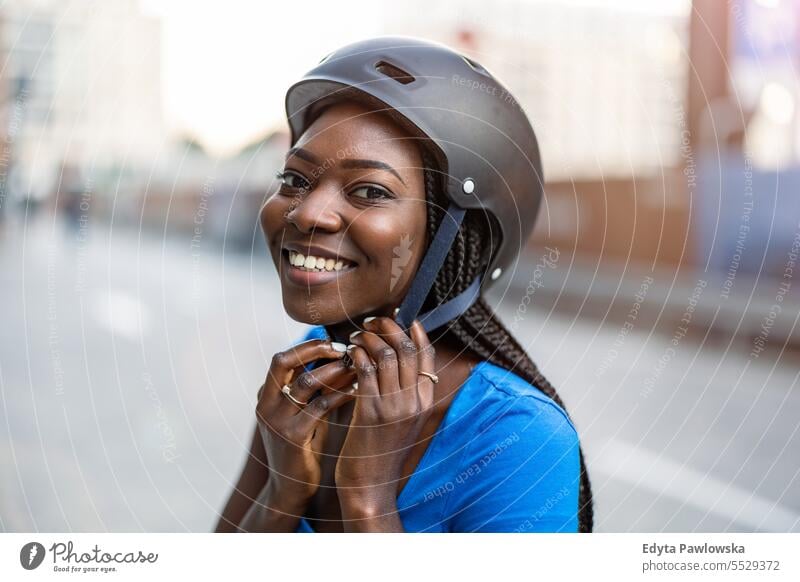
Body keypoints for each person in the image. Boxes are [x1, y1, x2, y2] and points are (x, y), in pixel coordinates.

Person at [215, 37, 593, 533]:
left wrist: (367, 499)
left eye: (369, 191)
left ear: (455, 234)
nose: (306, 212)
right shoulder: (314, 364)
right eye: (295, 180)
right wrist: (283, 491)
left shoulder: (520, 438)